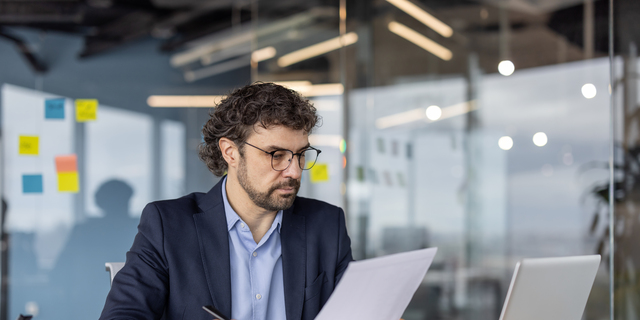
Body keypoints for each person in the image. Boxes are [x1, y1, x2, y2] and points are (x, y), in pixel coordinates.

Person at [100, 82, 353, 320]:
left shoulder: (328, 225)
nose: (294, 171)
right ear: (230, 152)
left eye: (300, 155)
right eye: (277, 155)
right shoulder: (168, 225)